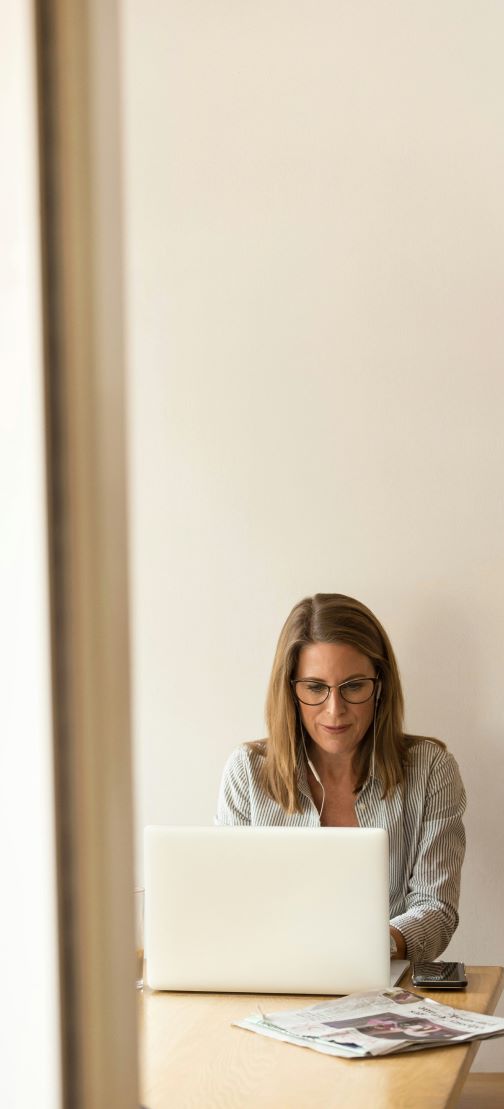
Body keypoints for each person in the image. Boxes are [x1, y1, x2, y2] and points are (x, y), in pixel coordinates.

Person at [215, 592, 466, 963]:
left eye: (353, 686)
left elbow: (436, 909)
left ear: (379, 685)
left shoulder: (431, 770)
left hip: (385, 986)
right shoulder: (247, 772)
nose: (335, 710)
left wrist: (370, 947)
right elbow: (228, 906)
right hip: (272, 979)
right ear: (291, 690)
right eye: (315, 688)